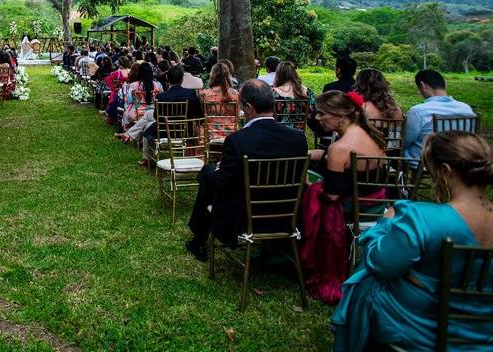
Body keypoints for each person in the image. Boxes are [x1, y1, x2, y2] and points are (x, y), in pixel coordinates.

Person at [331, 131, 493, 351]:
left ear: (445, 172)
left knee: (366, 283)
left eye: (431, 170)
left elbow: (380, 265)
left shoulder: (422, 218)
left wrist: (385, 224)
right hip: (482, 329)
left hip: (423, 325)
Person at [186, 80, 308, 261]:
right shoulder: (297, 139)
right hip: (286, 213)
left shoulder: (238, 141)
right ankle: (199, 237)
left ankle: (199, 237)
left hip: (245, 216)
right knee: (211, 174)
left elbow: (221, 182)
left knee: (207, 174)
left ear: (249, 108)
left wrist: (209, 171)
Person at [300, 91, 387, 303]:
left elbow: (331, 195)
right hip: (377, 200)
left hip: (353, 207)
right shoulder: (366, 133)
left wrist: (311, 186)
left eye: (322, 114)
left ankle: (302, 257)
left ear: (340, 115)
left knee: (305, 195)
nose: (317, 118)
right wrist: (315, 154)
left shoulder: (340, 148)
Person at [136, 65, 204, 167]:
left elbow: (156, 116)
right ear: (182, 79)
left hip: (164, 132)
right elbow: (199, 115)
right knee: (149, 126)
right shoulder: (191, 94)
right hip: (186, 131)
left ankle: (147, 159)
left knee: (147, 129)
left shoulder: (161, 97)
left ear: (167, 78)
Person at [404, 69, 476, 164]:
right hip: (459, 159)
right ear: (444, 84)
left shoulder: (418, 111)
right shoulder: (466, 108)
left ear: (423, 85)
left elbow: (406, 140)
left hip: (426, 161)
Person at [198, 63, 240, 141]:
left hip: (210, 133)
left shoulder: (204, 94)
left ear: (212, 76)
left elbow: (202, 116)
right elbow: (237, 117)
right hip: (231, 132)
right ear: (228, 76)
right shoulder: (235, 94)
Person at [272, 61, 317, 131]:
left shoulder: (273, 92)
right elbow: (314, 112)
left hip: (278, 133)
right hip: (299, 133)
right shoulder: (306, 91)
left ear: (279, 75)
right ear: (294, 73)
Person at [122, 62, 162, 130]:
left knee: (126, 112)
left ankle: (129, 131)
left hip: (137, 114)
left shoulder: (133, 85)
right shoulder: (158, 85)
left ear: (139, 73)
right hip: (155, 114)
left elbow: (129, 101)